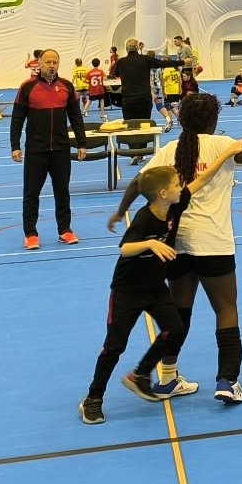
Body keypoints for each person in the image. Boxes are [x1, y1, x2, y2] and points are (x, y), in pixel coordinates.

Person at [112, 94, 242, 404]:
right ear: (213, 119)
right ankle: (227, 380)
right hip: (214, 243)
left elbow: (138, 183)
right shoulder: (222, 145)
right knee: (225, 309)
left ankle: (167, 378)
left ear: (182, 119)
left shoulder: (170, 149)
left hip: (176, 246)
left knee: (180, 314)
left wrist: (120, 211)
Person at [80, 165, 198, 425]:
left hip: (155, 288)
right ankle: (93, 399)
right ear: (163, 193)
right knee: (114, 346)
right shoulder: (145, 218)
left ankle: (140, 374)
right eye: (176, 184)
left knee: (175, 329)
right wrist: (151, 243)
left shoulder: (175, 205)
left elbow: (198, 183)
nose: (181, 188)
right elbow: (125, 248)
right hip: (127, 291)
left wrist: (226, 154)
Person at [10, 48, 88, 249]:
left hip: (61, 150)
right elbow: (17, 118)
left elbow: (76, 117)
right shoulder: (27, 87)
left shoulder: (67, 87)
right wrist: (15, 146)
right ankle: (30, 233)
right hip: (36, 151)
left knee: (62, 192)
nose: (52, 66)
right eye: (48, 62)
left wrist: (82, 143)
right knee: (31, 194)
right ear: (39, 64)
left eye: (55, 62)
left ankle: (65, 230)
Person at [110, 38, 173, 126]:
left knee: (160, 105)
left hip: (151, 87)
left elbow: (149, 79)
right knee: (162, 105)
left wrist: (152, 91)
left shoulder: (146, 65)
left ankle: (169, 119)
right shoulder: (154, 65)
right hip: (156, 87)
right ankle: (168, 119)